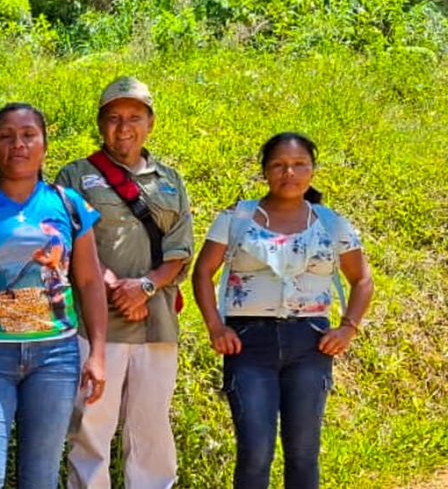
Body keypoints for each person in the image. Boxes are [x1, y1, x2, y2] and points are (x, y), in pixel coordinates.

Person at [0, 103, 108, 489]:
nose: (18, 144)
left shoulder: (68, 204)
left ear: (45, 144)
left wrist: (97, 352)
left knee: (41, 478)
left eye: (29, 134)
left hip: (55, 358)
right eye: (6, 136)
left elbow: (90, 282)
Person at [191, 132, 373, 489]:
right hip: (248, 344)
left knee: (304, 452)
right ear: (264, 171)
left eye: (299, 164)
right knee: (255, 453)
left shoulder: (330, 223)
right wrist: (215, 327)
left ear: (312, 170)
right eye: (278, 165)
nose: (289, 172)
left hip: (310, 345)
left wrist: (348, 328)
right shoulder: (237, 216)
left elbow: (362, 278)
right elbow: (202, 271)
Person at [56, 76, 194, 489]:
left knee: (151, 429)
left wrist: (145, 287)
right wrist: (113, 284)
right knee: (91, 428)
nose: (124, 126)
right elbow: (67, 239)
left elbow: (180, 249)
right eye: (113, 117)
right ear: (101, 125)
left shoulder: (170, 180)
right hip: (97, 327)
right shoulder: (76, 176)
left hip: (156, 324)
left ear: (150, 122)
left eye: (134, 117)